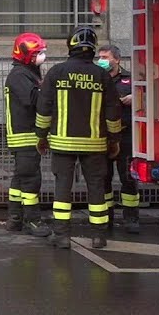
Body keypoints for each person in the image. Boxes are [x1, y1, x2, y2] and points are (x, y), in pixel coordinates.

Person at [35, 26, 123, 250]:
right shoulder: (102, 75)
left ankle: (62, 235)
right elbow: (113, 112)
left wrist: (41, 137)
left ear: (70, 46)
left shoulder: (56, 72)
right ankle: (98, 236)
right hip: (95, 144)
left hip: (62, 144)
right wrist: (114, 140)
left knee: (62, 188)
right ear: (93, 48)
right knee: (96, 188)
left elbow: (44, 109)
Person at [4, 32, 51, 238]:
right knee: (31, 180)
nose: (41, 56)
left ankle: (14, 219)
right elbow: (33, 100)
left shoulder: (25, 73)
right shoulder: (19, 75)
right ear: (25, 55)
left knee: (19, 180)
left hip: (23, 136)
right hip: (25, 136)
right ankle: (32, 220)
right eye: (38, 53)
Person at [97, 44, 139, 234]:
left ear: (117, 59)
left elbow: (146, 98)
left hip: (126, 136)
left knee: (128, 179)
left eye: (105, 57)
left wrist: (135, 98)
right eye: (100, 57)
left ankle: (131, 219)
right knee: (104, 179)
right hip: (103, 136)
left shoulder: (130, 79)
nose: (101, 60)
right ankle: (107, 217)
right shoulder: (97, 78)